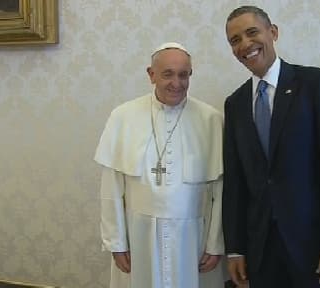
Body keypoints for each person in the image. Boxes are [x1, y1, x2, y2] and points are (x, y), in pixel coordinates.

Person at [222, 5, 320, 288]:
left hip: (314, 247)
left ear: (273, 33)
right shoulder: (234, 104)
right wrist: (235, 249)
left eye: (251, 33)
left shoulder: (316, 84)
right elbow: (235, 183)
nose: (245, 44)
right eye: (235, 40)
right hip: (260, 250)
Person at [94, 42, 225, 288]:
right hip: (138, 236)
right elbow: (110, 189)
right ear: (151, 74)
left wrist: (215, 243)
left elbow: (220, 190)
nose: (176, 83)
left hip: (193, 239)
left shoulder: (211, 119)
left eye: (183, 75)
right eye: (167, 74)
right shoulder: (123, 116)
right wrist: (116, 242)